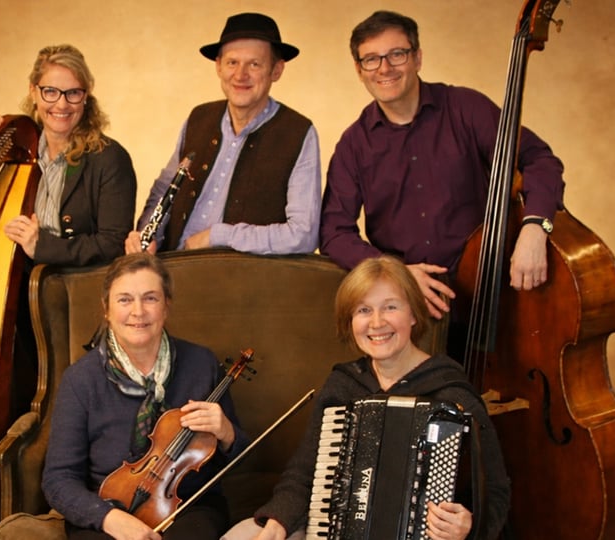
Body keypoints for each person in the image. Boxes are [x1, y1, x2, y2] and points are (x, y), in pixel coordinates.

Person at [222, 256, 510, 540]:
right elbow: (304, 471)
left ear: (413, 314)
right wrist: (279, 520)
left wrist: (469, 527)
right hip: (333, 530)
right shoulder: (344, 385)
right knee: (243, 536)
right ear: (350, 321)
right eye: (363, 310)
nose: (376, 322)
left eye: (391, 307)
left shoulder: (452, 392)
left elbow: (495, 491)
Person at [320, 11, 565, 322]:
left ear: (417, 58)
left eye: (397, 54)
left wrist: (535, 227)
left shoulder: (467, 108)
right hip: (411, 310)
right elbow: (333, 233)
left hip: (494, 289)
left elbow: (539, 159)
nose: (384, 68)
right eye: (371, 59)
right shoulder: (353, 145)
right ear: (359, 69)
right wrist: (396, 274)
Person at [42, 253, 252, 540]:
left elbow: (237, 461)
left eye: (150, 298)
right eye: (125, 299)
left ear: (166, 306)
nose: (138, 311)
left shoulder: (201, 364)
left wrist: (227, 433)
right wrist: (109, 518)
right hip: (107, 511)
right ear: (106, 308)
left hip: (188, 508)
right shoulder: (80, 380)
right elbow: (58, 479)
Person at [124, 12, 320, 256]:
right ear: (218, 66)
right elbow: (164, 190)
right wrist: (147, 235)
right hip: (174, 269)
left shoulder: (299, 132)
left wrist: (219, 235)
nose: (240, 75)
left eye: (254, 64)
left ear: (276, 70)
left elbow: (303, 235)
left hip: (242, 283)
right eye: (232, 62)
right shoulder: (198, 118)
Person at [0, 44, 137, 266]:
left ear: (86, 95)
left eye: (73, 92)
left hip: (77, 291)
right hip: (23, 283)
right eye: (50, 92)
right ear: (33, 92)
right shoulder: (23, 150)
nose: (62, 104)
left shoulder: (109, 158)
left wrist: (42, 246)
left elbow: (113, 244)